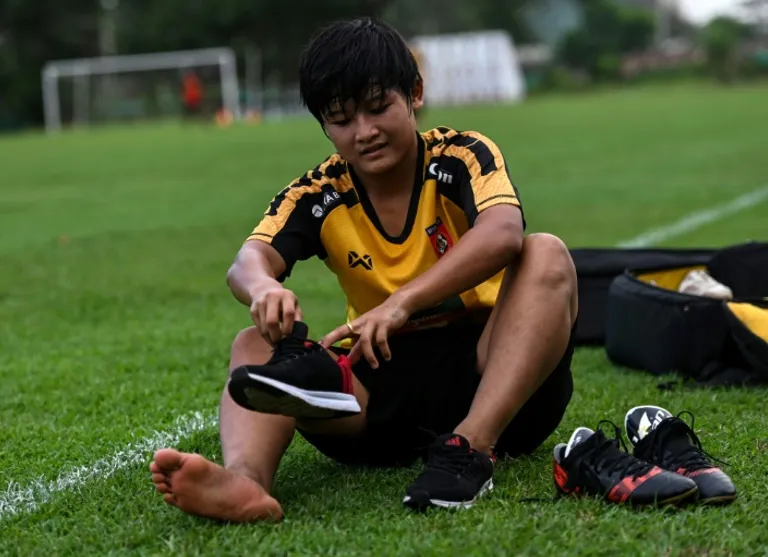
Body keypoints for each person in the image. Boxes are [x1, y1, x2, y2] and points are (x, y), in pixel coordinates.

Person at [150, 17, 578, 522]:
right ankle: (246, 482)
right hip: (377, 406)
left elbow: (503, 232)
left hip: (497, 384)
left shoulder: (462, 154)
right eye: (341, 119)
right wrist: (263, 287)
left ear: (414, 93)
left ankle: (471, 447)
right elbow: (247, 261)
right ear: (324, 125)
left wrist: (401, 303)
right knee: (252, 345)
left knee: (546, 253)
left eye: (378, 108)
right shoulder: (319, 192)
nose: (365, 132)